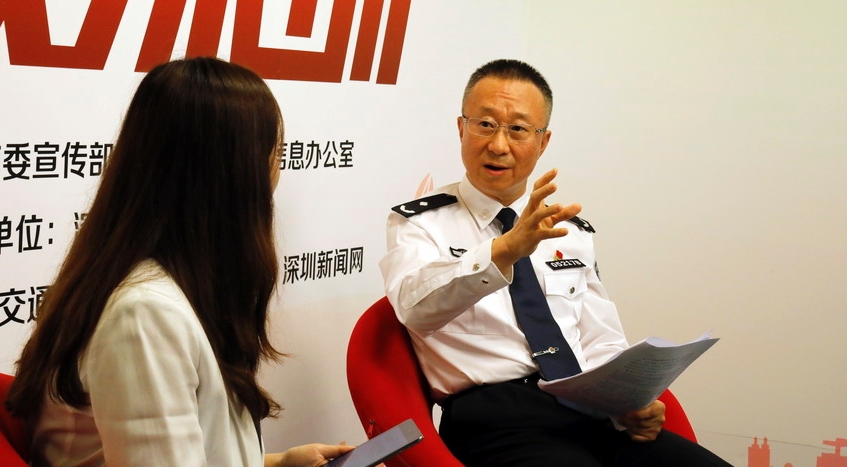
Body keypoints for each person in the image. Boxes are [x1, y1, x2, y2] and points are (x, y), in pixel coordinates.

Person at [379, 59, 732, 466]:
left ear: (543, 142)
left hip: (590, 414)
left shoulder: (568, 230)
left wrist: (630, 400)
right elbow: (414, 309)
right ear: (461, 128)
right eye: (485, 125)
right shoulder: (420, 223)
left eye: (518, 129)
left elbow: (600, 339)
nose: (498, 145)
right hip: (497, 421)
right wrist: (504, 251)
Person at [6, 57, 353, 467]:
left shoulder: (164, 288)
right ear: (234, 173)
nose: (277, 172)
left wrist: (280, 463)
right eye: (273, 153)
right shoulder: (144, 314)